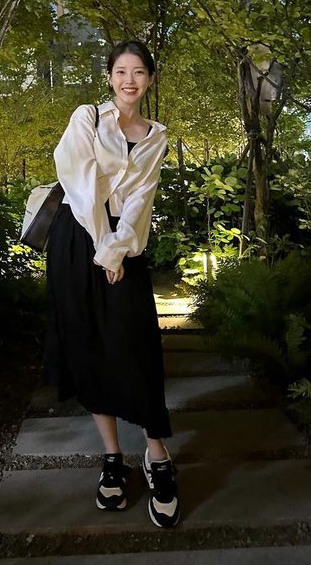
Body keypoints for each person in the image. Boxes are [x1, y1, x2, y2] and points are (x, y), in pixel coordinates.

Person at [44, 40, 180, 529]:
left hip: (125, 244)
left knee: (135, 344)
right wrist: (104, 248)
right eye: (121, 71)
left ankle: (156, 454)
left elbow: (141, 198)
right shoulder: (87, 118)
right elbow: (80, 183)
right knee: (87, 343)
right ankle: (112, 457)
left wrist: (117, 250)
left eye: (138, 72)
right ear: (109, 77)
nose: (129, 80)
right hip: (77, 238)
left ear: (150, 79)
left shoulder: (156, 136)